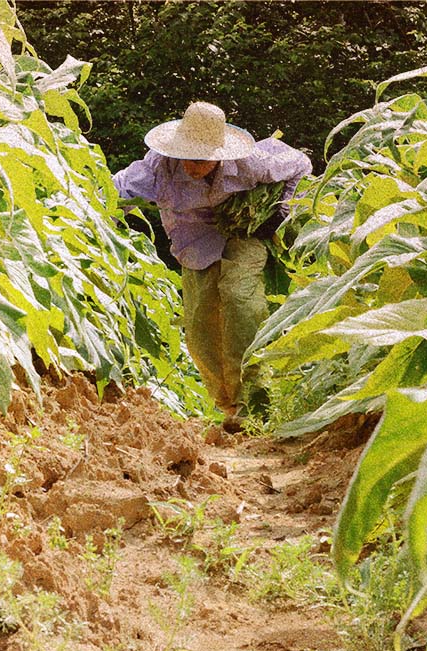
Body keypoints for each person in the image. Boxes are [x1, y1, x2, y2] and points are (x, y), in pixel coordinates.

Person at [113, 102, 312, 432]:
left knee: (242, 304)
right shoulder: (159, 168)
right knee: (201, 329)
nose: (194, 167)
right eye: (189, 159)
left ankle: (257, 403)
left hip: (242, 232)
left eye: (203, 161)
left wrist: (281, 214)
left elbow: (300, 165)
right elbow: (117, 189)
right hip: (194, 243)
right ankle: (230, 406)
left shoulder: (249, 163)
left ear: (220, 154)